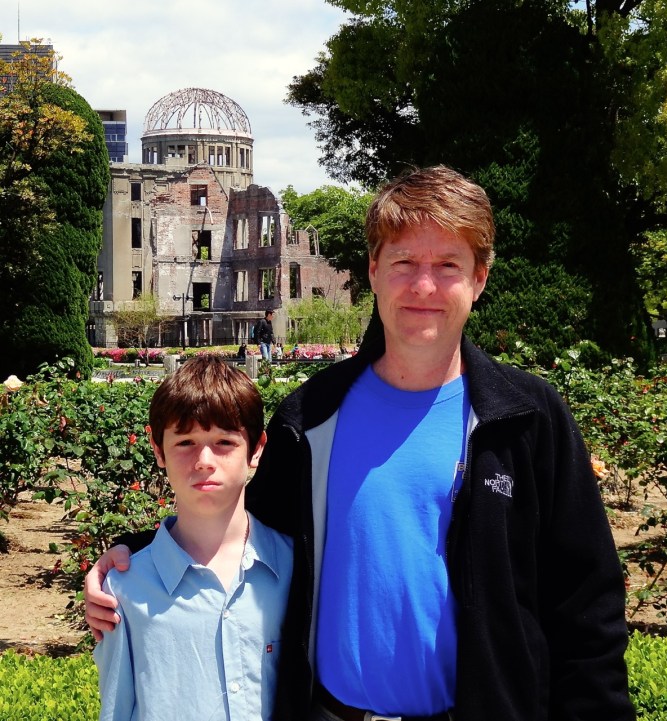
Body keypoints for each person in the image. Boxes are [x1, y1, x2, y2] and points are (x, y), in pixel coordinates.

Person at [86, 166, 634, 721]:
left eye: (448, 265)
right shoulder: (311, 418)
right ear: (373, 272)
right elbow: (238, 526)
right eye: (404, 263)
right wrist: (136, 555)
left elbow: (587, 609)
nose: (423, 286)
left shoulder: (526, 419)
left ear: (480, 279)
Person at [93, 355, 292, 721]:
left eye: (224, 441)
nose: (203, 460)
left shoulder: (297, 571)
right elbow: (117, 709)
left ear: (257, 449)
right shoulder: (123, 589)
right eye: (185, 442)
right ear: (157, 449)